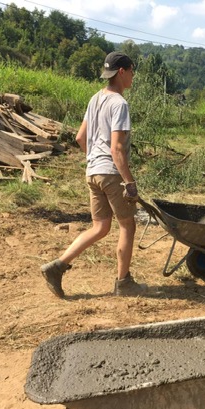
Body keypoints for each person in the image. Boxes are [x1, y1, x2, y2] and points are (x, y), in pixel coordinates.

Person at [40, 51, 147, 298]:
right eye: (131, 71)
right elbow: (117, 148)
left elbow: (80, 137)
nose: (132, 76)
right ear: (122, 72)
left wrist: (95, 160)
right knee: (127, 225)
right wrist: (129, 182)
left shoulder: (95, 98)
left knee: (100, 227)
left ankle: (57, 267)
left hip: (93, 172)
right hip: (110, 172)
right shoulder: (119, 103)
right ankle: (124, 283)